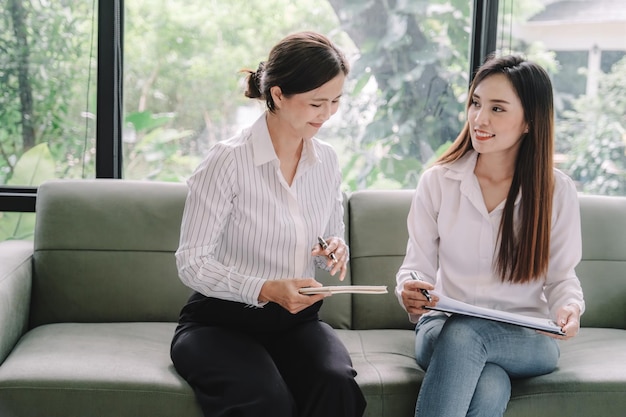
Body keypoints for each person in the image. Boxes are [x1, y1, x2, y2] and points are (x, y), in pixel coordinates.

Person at [170, 31, 366, 417]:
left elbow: (327, 238)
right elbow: (191, 262)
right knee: (265, 401)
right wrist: (264, 289)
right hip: (219, 324)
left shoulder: (326, 160)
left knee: (336, 383)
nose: (327, 114)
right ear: (277, 95)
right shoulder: (227, 161)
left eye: (336, 101)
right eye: (316, 103)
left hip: (297, 322)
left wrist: (333, 250)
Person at [395, 55, 585, 417]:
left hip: (525, 337)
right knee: (488, 380)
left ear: (530, 121)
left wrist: (569, 310)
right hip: (442, 326)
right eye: (476, 103)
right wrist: (412, 288)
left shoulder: (556, 191)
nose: (480, 119)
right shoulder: (438, 182)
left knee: (470, 337)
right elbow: (415, 266)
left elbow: (562, 278)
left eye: (497, 108)